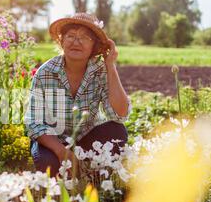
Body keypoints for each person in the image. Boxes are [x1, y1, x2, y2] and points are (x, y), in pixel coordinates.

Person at [24, 12, 131, 176]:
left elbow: (119, 115)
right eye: (70, 36)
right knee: (48, 165)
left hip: (86, 138)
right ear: (62, 41)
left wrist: (111, 66)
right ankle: (73, 169)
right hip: (53, 140)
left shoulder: (100, 71)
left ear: (94, 46)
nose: (76, 42)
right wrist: (61, 152)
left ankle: (91, 174)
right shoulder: (45, 72)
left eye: (85, 37)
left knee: (117, 132)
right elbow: (34, 122)